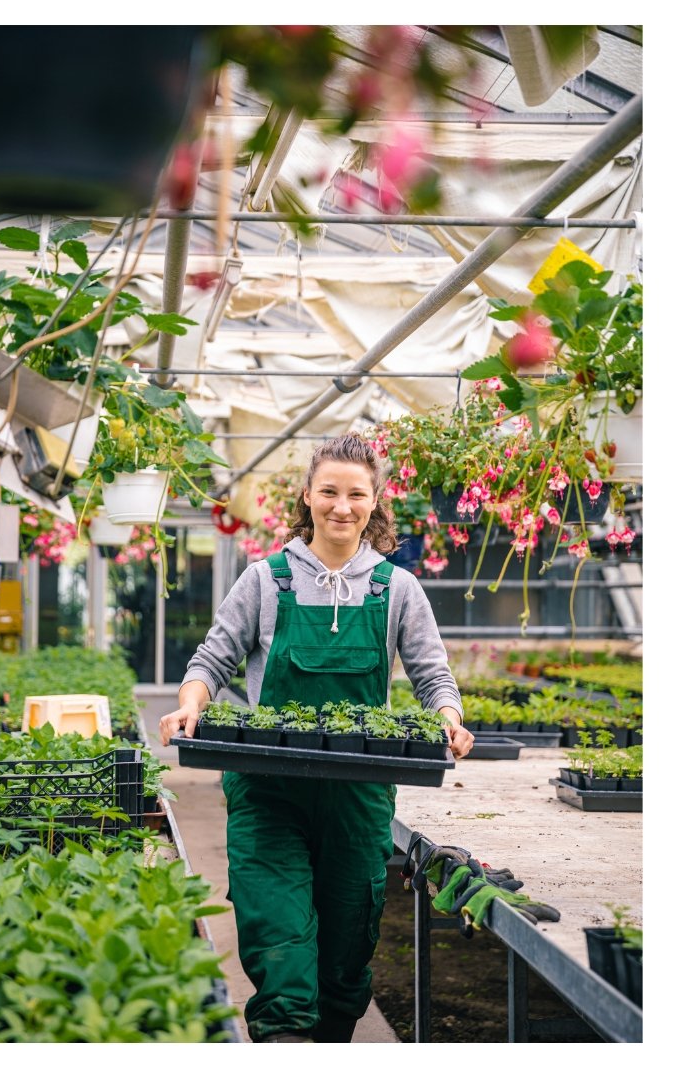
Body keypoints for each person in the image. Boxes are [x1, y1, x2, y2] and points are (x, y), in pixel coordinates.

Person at [159, 434, 475, 1044]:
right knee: (276, 929)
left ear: (376, 501)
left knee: (347, 950)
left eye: (356, 494)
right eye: (329, 491)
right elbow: (213, 659)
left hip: (357, 798)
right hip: (269, 791)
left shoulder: (396, 589)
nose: (341, 506)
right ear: (307, 496)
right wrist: (189, 707)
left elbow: (432, 673)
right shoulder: (265, 580)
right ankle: (283, 1038)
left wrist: (449, 717)